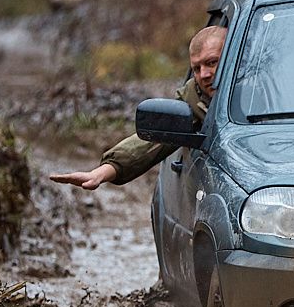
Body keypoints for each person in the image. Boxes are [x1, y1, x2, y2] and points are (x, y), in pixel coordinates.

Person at [51, 26, 227, 189]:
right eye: (196, 68)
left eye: (212, 62)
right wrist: (99, 173)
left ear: (235, 57)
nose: (203, 75)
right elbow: (153, 138)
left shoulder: (254, 88)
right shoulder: (193, 96)